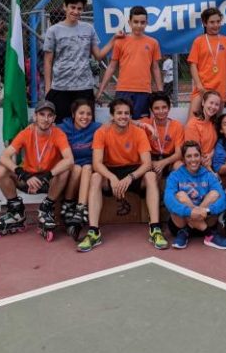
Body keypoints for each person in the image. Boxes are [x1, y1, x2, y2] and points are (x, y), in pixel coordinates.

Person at [78, 98, 168, 252]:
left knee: (151, 176)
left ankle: (155, 229)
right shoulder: (102, 132)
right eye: (119, 113)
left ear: (130, 116)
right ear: (112, 115)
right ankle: (93, 232)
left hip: (133, 171)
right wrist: (112, 177)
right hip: (111, 170)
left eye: (126, 113)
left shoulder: (139, 132)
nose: (123, 116)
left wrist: (130, 177)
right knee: (95, 177)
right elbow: (97, 163)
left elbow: (147, 163)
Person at [0, 101, 74, 239]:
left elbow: (69, 159)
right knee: (1, 170)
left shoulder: (59, 134)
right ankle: (16, 211)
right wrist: (22, 174)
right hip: (27, 178)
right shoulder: (26, 133)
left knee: (65, 170)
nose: (45, 119)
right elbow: (4, 157)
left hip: (48, 181)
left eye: (49, 115)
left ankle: (46, 208)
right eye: (42, 114)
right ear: (35, 116)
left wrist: (48, 175)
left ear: (54, 118)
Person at [43, 0, 121, 123]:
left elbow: (98, 56)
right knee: (62, 126)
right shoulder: (53, 31)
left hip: (84, 88)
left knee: (86, 125)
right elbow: (48, 61)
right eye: (72, 7)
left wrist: (114, 39)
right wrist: (47, 88)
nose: (75, 11)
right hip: (60, 88)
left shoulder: (88, 29)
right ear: (65, 7)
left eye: (79, 8)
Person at [164, 140, 226, 250]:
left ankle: (186, 231)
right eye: (189, 156)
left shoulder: (209, 175)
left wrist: (206, 211)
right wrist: (190, 212)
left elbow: (223, 200)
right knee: (180, 195)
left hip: (206, 219)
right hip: (180, 225)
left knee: (215, 194)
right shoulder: (175, 175)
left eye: (196, 155)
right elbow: (168, 200)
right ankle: (209, 235)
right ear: (183, 159)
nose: (193, 159)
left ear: (201, 157)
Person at [96, 6, 162, 119]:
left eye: (142, 22)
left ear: (147, 23)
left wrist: (160, 91)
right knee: (121, 122)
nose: (139, 25)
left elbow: (155, 68)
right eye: (135, 22)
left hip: (144, 91)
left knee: (141, 123)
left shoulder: (153, 43)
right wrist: (101, 89)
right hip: (123, 90)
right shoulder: (120, 42)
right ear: (129, 23)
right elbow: (111, 67)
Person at [57, 98, 101, 239]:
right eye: (81, 113)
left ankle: (80, 210)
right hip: (71, 171)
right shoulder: (62, 128)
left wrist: (140, 124)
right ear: (73, 114)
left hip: (89, 169)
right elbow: (44, 128)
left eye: (89, 114)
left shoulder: (97, 128)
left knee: (87, 167)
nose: (85, 117)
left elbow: (116, 123)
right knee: (77, 168)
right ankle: (68, 202)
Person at [187, 7, 226, 115]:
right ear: (205, 23)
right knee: (192, 121)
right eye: (212, 22)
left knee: (215, 122)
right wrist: (199, 86)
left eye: (218, 21)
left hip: (220, 91)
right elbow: (193, 65)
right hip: (202, 90)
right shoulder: (198, 41)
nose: (216, 25)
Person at [136, 92, 185, 182]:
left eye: (164, 107)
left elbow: (178, 154)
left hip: (170, 159)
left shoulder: (177, 126)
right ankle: (156, 190)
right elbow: (128, 121)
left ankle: (180, 189)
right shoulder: (146, 122)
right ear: (151, 110)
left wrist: (163, 162)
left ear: (169, 108)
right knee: (155, 171)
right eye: (156, 108)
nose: (161, 111)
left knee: (179, 166)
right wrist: (147, 126)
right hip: (152, 159)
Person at [185, 89, 223, 171]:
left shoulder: (214, 123)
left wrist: (211, 155)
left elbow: (217, 144)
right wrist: (210, 169)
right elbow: (193, 151)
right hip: (197, 162)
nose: (213, 107)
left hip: (212, 159)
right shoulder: (193, 124)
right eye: (211, 103)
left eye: (216, 104)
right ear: (203, 103)